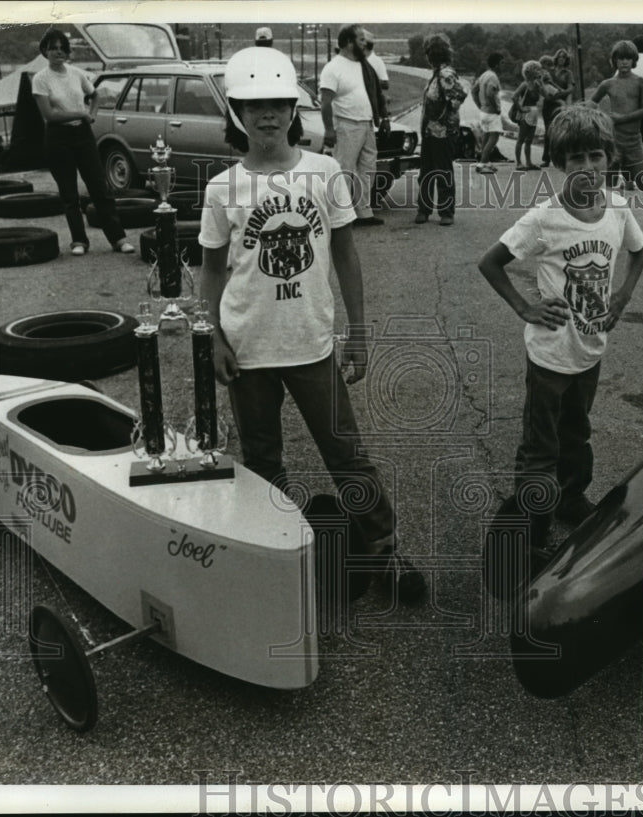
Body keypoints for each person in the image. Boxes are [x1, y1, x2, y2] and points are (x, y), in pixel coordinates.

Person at [198, 47, 425, 604]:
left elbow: (346, 255)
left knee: (347, 456)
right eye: (254, 106)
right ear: (237, 113)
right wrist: (214, 339)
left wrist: (361, 332)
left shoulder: (324, 173)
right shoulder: (222, 187)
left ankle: (384, 549)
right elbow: (209, 271)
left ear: (293, 109)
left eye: (278, 104)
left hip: (312, 345)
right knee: (263, 462)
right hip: (247, 351)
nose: (268, 115)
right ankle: (276, 558)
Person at [477, 103, 643, 555]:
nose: (588, 168)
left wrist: (622, 297)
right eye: (576, 159)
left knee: (577, 431)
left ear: (610, 156)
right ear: (558, 163)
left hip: (590, 349)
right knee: (541, 443)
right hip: (550, 354)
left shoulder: (616, 206)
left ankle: (570, 497)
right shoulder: (543, 218)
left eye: (596, 156)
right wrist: (524, 307)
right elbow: (490, 262)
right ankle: (531, 518)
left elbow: (639, 251)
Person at [31, 29, 134, 256]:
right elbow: (49, 115)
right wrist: (80, 113)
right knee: (69, 194)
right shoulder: (40, 79)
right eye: (53, 48)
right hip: (58, 137)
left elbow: (95, 95)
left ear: (67, 52)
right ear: (45, 51)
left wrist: (92, 114)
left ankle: (118, 238)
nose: (58, 52)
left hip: (83, 135)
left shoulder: (77, 74)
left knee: (99, 187)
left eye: (62, 48)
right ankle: (79, 241)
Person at [591, 40, 643, 238]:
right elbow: (592, 102)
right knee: (611, 182)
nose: (623, 62)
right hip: (613, 142)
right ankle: (612, 223)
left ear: (634, 60)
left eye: (628, 58)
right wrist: (595, 117)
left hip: (634, 140)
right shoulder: (608, 83)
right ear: (614, 61)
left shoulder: (641, 82)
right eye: (619, 58)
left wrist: (622, 118)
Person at [319, 24, 389, 227]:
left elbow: (377, 93)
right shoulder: (333, 68)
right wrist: (329, 130)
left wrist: (383, 118)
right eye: (360, 39)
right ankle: (341, 215)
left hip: (367, 125)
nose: (364, 43)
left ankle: (364, 213)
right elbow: (325, 102)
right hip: (346, 126)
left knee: (368, 169)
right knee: (345, 171)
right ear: (349, 42)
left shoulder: (364, 65)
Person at [414, 33, 466, 226]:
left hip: (443, 132)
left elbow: (458, 97)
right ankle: (425, 209)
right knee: (427, 170)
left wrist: (442, 117)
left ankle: (445, 212)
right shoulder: (438, 74)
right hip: (430, 131)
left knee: (441, 171)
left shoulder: (445, 74)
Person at [539, 50, 574, 167]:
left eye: (564, 57)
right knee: (548, 131)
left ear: (566, 59)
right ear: (556, 58)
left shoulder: (568, 73)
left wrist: (561, 93)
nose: (561, 59)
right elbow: (543, 85)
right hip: (549, 103)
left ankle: (561, 157)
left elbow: (570, 89)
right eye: (559, 57)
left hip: (560, 104)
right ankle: (546, 158)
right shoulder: (549, 71)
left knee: (560, 131)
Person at [472, 51, 504, 174]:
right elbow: (491, 92)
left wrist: (480, 105)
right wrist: (496, 108)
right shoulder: (493, 77)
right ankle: (482, 164)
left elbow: (474, 91)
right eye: (501, 63)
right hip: (491, 112)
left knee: (486, 137)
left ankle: (484, 160)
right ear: (496, 64)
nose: (503, 65)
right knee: (494, 138)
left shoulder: (484, 75)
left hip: (483, 112)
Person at [511, 60, 546, 171]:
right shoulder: (525, 84)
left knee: (529, 140)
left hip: (534, 113)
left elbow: (546, 95)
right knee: (521, 139)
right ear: (530, 71)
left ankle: (529, 162)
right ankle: (519, 163)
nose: (539, 71)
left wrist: (541, 83)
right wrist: (520, 108)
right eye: (537, 69)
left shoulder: (536, 84)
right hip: (526, 113)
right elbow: (514, 97)